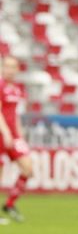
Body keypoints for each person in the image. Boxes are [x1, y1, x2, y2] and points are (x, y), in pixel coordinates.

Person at [0, 56, 32, 223]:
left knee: (28, 168)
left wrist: (20, 136)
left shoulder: (18, 90)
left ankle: (10, 204)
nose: (9, 70)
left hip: (13, 135)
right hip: (1, 134)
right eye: (6, 66)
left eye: (13, 67)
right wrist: (5, 132)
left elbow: (16, 115)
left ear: (17, 69)